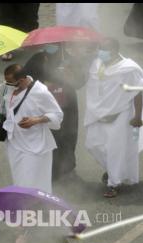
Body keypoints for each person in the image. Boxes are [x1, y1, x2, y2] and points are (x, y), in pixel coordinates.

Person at [84, 37, 143, 197]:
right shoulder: (96, 64)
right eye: (100, 49)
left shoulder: (128, 69)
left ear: (115, 51)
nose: (101, 53)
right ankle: (112, 171)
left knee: (115, 151)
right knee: (92, 145)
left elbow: (137, 92)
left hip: (121, 115)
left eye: (105, 50)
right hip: (98, 114)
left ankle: (114, 184)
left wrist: (137, 116)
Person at [0, 65, 63, 193]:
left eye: (10, 82)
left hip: (35, 146)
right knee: (20, 180)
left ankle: (36, 206)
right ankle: (25, 208)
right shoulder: (9, 87)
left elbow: (57, 114)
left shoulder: (40, 92)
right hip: (14, 144)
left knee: (31, 182)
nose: (7, 85)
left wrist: (36, 120)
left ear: (20, 80)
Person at [23, 42, 91, 180]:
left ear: (61, 46)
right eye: (48, 45)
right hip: (44, 105)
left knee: (68, 136)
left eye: (54, 45)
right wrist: (41, 83)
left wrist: (70, 76)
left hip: (67, 106)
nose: (50, 47)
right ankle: (49, 171)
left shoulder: (71, 59)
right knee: (48, 137)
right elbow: (25, 79)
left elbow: (80, 82)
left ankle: (68, 170)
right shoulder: (38, 59)